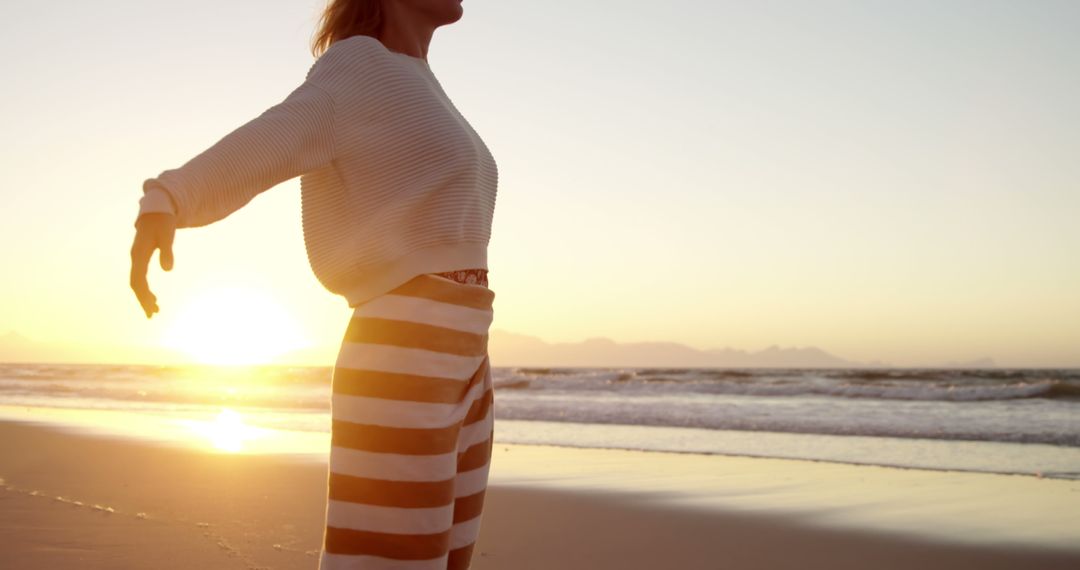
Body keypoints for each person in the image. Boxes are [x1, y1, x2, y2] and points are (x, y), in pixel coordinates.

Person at [128, 1, 499, 568]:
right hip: (404, 354)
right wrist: (167, 200)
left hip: (470, 355)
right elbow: (274, 136)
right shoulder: (358, 67)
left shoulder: (420, 80)